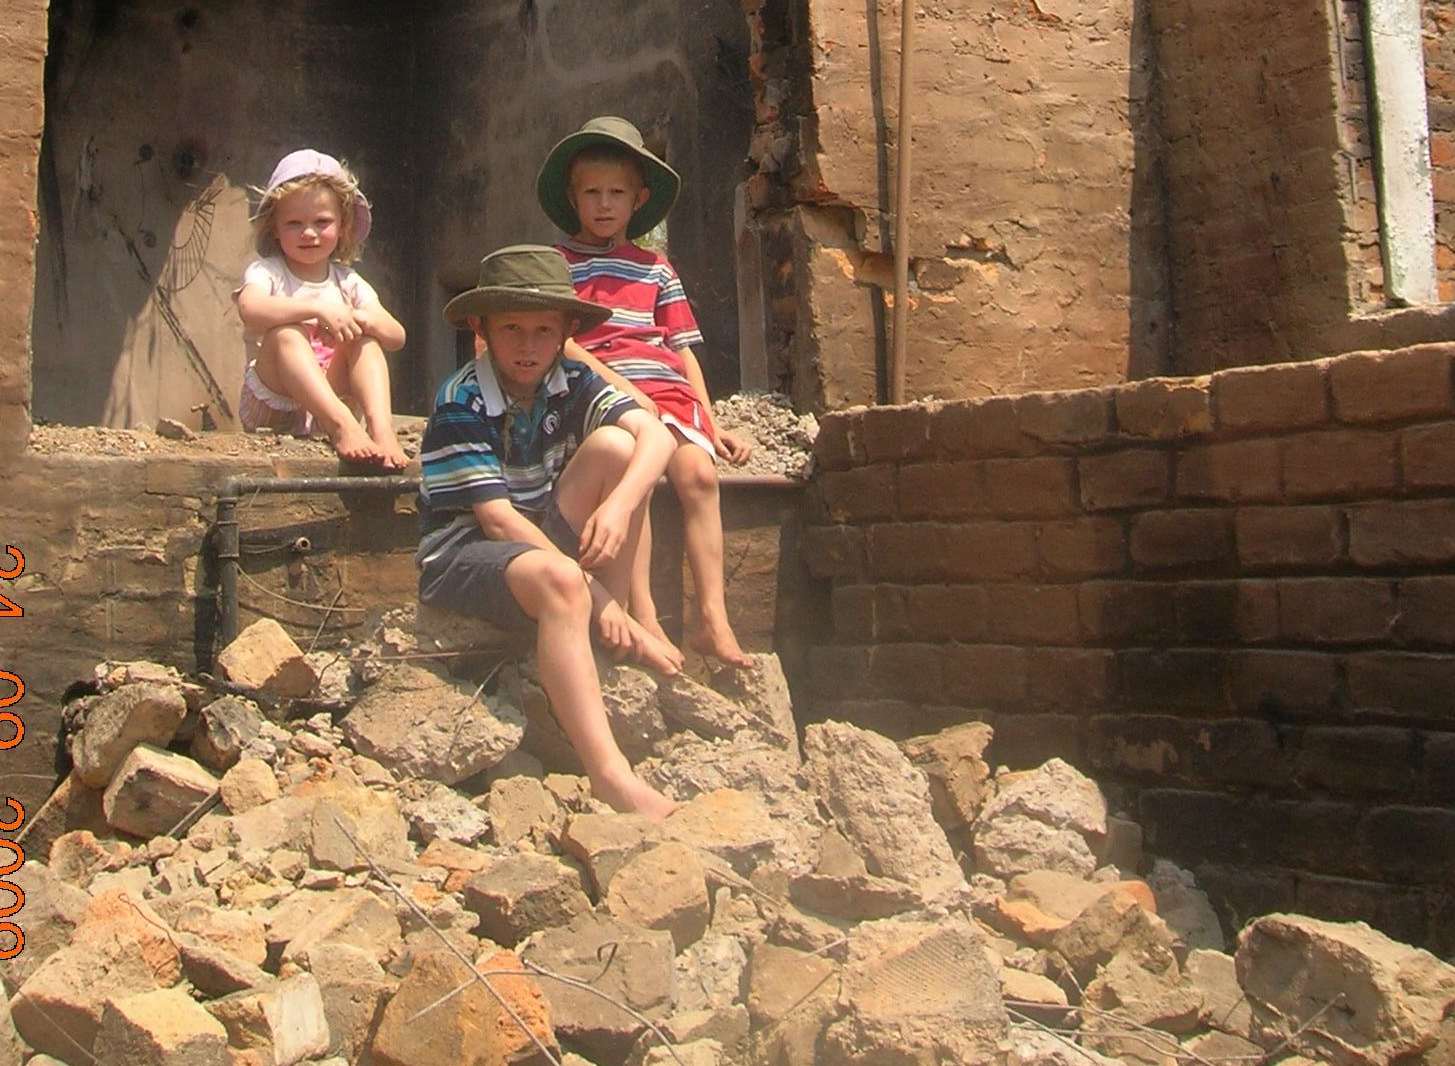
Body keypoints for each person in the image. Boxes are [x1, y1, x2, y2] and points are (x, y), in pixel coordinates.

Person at [416, 244, 678, 819]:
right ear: (481, 330)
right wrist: (598, 595)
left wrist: (618, 507)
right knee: (563, 581)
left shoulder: (571, 379)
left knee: (619, 447)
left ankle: (613, 640)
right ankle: (610, 774)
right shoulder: (462, 399)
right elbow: (496, 520)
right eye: (511, 328)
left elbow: (656, 435)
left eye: (542, 330)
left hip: (542, 538)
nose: (528, 345)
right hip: (466, 553)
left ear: (564, 332)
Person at [538, 116, 754, 667]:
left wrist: (710, 420)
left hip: (670, 394)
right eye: (592, 193)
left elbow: (682, 350)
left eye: (617, 193)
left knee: (699, 475)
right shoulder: (558, 266)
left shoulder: (656, 269)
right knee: (636, 472)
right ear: (573, 197)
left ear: (638, 200)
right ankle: (645, 611)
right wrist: (618, 386)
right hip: (603, 389)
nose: (604, 204)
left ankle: (712, 618)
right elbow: (561, 343)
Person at [235, 149, 409, 468]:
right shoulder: (268, 272)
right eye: (294, 223)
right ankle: (342, 425)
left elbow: (396, 336)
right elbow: (250, 308)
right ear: (275, 227)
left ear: (342, 225)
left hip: (333, 390)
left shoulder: (347, 281)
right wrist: (313, 308)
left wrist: (359, 318)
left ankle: (381, 430)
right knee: (287, 334)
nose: (309, 233)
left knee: (366, 341)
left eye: (322, 222)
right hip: (277, 405)